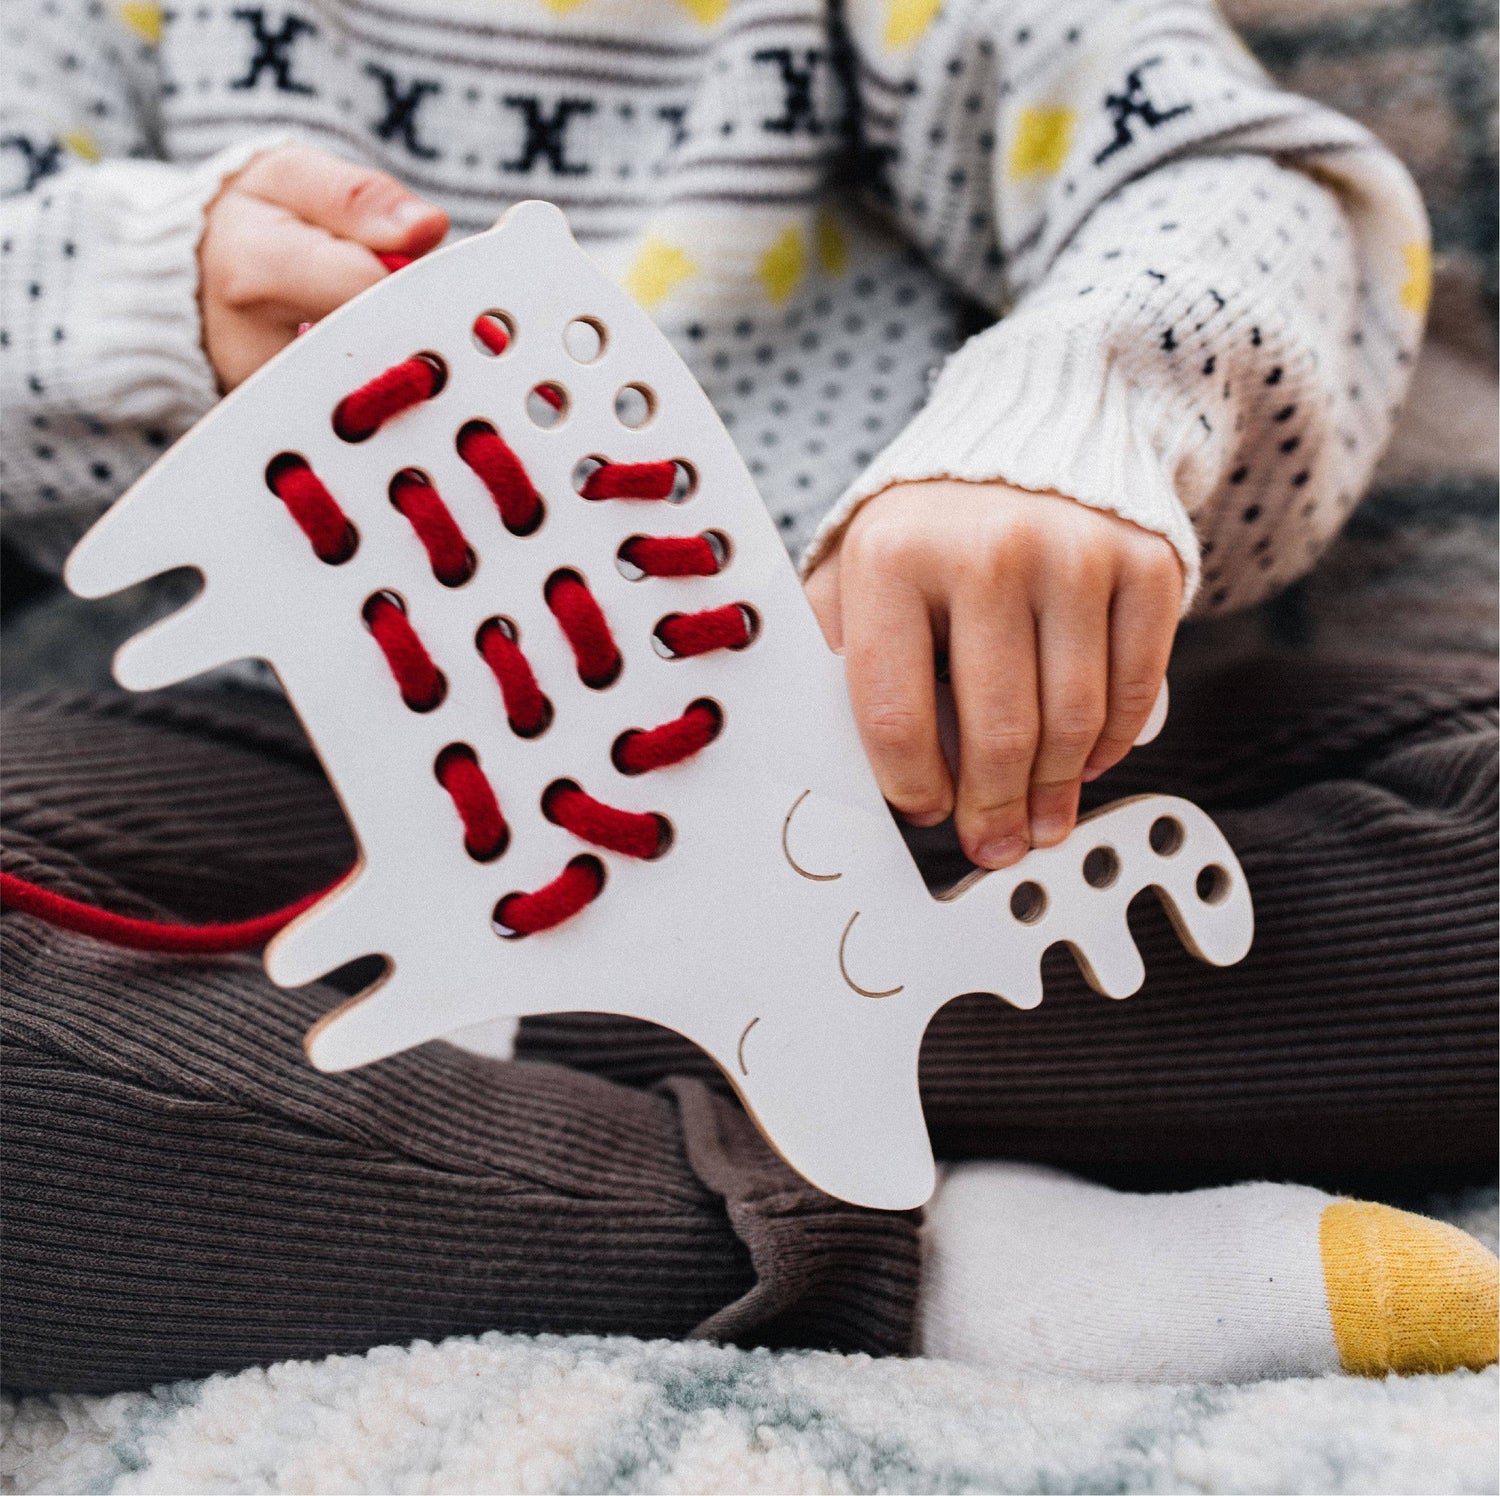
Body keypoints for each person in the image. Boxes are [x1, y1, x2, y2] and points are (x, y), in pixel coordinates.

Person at [1, 0, 1494, 1393]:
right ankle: (896, 1254)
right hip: (307, 798)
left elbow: (1229, 170)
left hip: (902, 757)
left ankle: (509, 1109)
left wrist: (1073, 418)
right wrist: (124, 290)